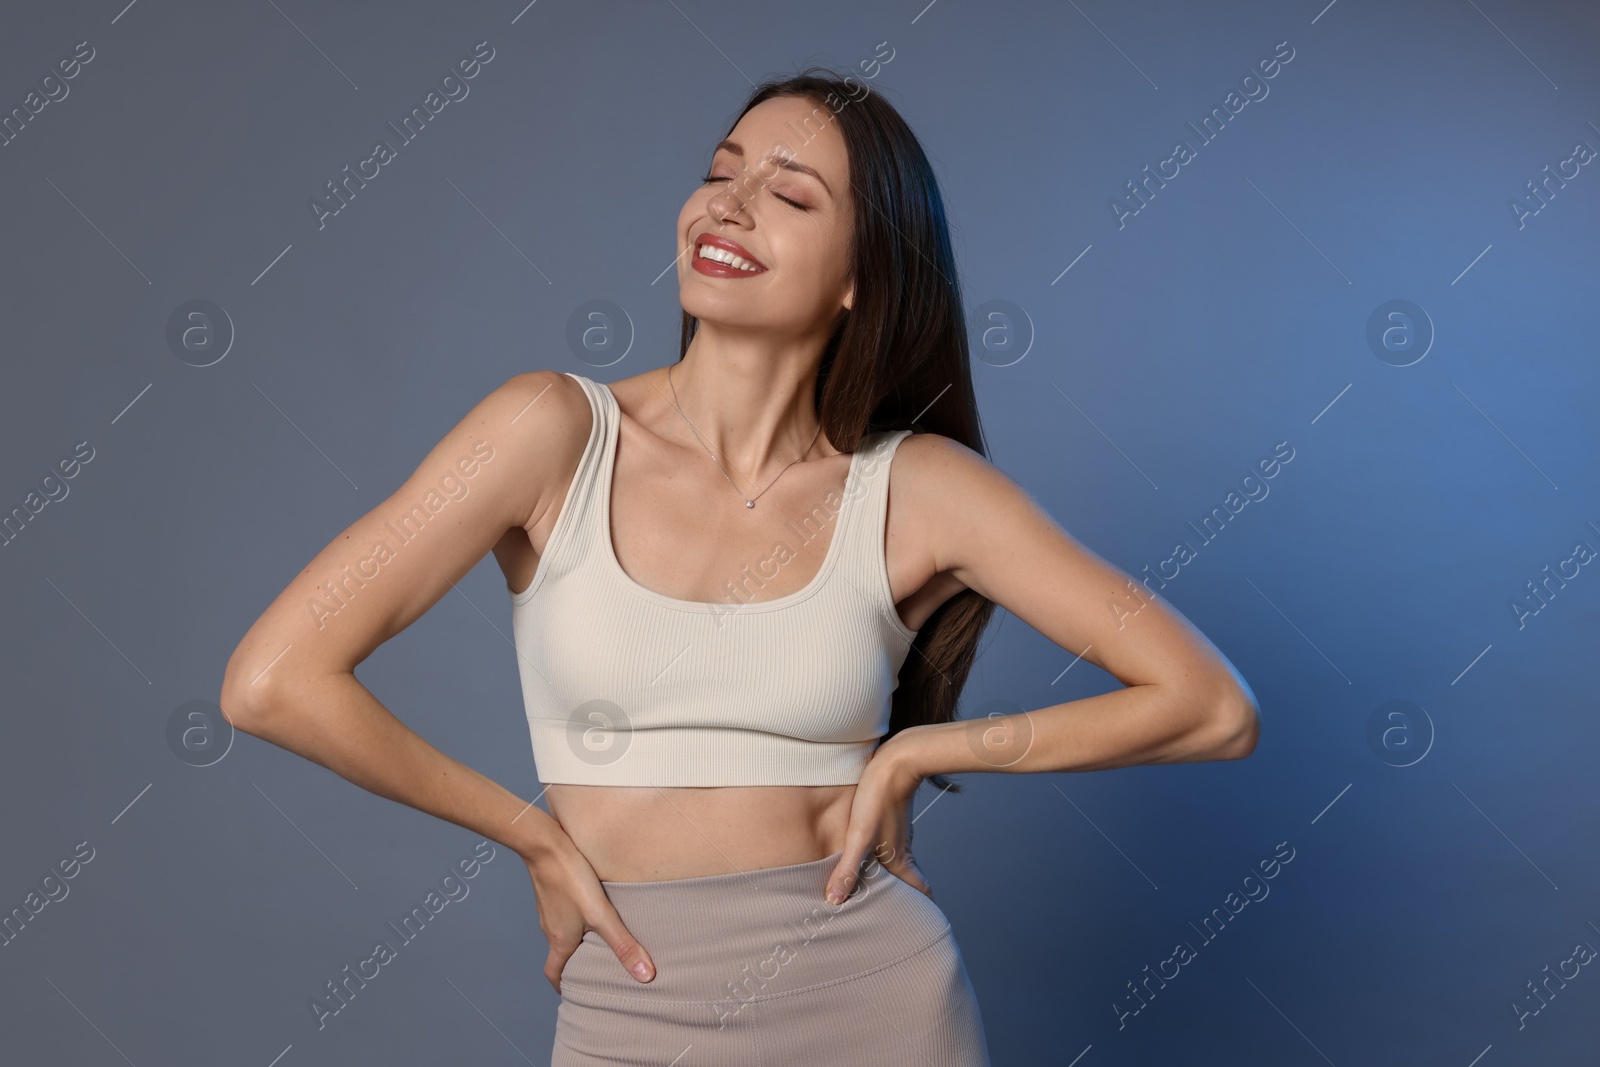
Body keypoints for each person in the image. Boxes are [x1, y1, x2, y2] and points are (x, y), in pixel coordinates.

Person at [220, 68, 1259, 1065]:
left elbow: (1211, 706)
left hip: (872, 993)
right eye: (722, 172)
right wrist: (527, 831)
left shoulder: (919, 489)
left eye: (789, 194)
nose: (729, 205)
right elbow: (273, 681)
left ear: (861, 276)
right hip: (631, 993)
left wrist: (917, 752)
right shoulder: (548, 430)